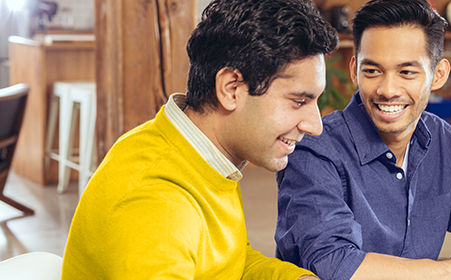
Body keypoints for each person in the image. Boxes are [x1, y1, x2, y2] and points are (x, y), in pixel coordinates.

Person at [61, 0, 338, 278]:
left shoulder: (201, 156)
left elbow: (231, 263)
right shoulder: (157, 200)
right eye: (299, 101)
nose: (315, 126)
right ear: (231, 89)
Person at [275, 1, 451, 280]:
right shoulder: (315, 147)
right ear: (354, 70)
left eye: (407, 72)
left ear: (439, 75)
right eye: (372, 71)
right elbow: (334, 264)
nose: (387, 90)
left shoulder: (440, 138)